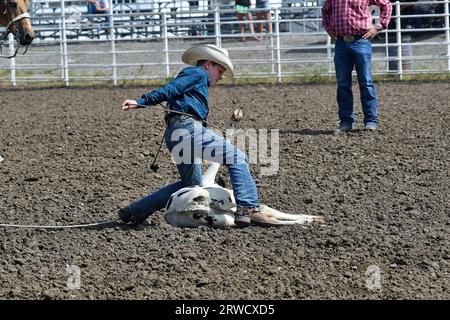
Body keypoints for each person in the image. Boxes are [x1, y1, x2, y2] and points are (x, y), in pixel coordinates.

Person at [118, 44, 273, 227]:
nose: (221, 76)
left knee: (190, 185)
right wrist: (141, 101)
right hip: (187, 130)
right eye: (220, 70)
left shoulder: (196, 80)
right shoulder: (197, 73)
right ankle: (248, 209)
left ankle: (135, 211)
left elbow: (173, 92)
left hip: (177, 132)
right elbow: (171, 89)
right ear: (208, 65)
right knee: (237, 157)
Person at [322, 0, 392, 132]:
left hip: (361, 39)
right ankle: (346, 122)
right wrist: (329, 29)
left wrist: (378, 27)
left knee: (365, 82)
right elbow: (325, 11)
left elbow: (386, 4)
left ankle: (370, 120)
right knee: (343, 84)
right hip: (342, 41)